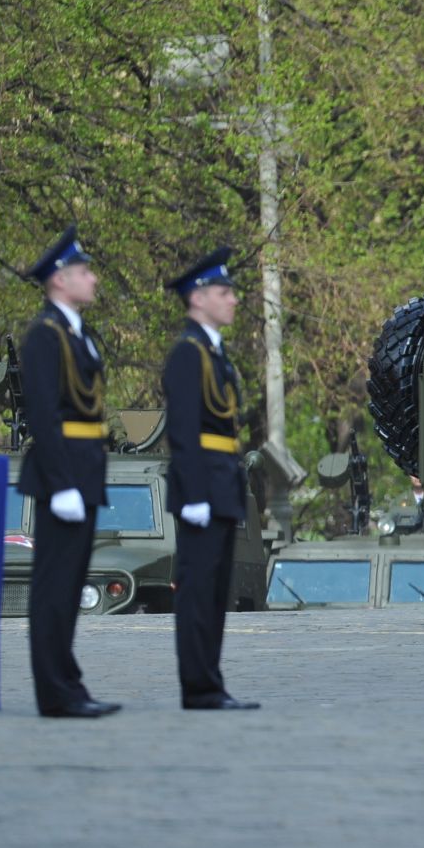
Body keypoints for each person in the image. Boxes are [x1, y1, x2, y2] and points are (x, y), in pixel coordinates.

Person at [16, 226, 121, 719]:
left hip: (84, 471)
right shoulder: (45, 335)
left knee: (69, 584)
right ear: (60, 280)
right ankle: (55, 692)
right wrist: (61, 484)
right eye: (84, 272)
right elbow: (43, 413)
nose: (93, 279)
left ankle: (69, 684)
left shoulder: (78, 332)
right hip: (63, 475)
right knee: (54, 588)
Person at [161, 248, 259, 710]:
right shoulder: (188, 353)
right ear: (198, 299)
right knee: (198, 592)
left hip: (222, 486)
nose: (233, 301)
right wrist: (196, 493)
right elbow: (183, 429)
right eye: (224, 292)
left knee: (215, 592)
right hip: (202, 488)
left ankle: (211, 683)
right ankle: (197, 687)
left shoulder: (213, 354)